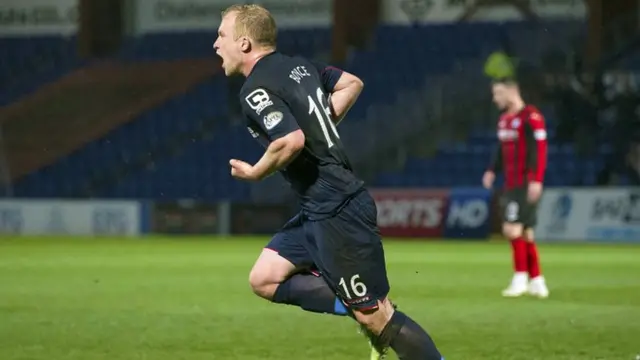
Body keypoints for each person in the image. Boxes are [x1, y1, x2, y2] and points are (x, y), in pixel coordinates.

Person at [213, 4, 444, 360]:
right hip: (318, 206)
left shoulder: (254, 88)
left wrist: (256, 171)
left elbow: (290, 141)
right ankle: (359, 306)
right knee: (265, 278)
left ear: (244, 44)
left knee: (378, 319)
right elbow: (352, 83)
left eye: (222, 36)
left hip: (338, 209)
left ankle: (371, 312)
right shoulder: (300, 67)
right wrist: (320, 118)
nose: (216, 44)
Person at [482, 78, 550, 299]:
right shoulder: (504, 120)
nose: (495, 99)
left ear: (512, 92)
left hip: (524, 183)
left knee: (512, 230)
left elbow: (539, 150)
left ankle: (520, 278)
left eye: (498, 93)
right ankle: (537, 280)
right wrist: (492, 170)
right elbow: (502, 150)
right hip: (510, 183)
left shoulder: (532, 118)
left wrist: (536, 179)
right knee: (527, 233)